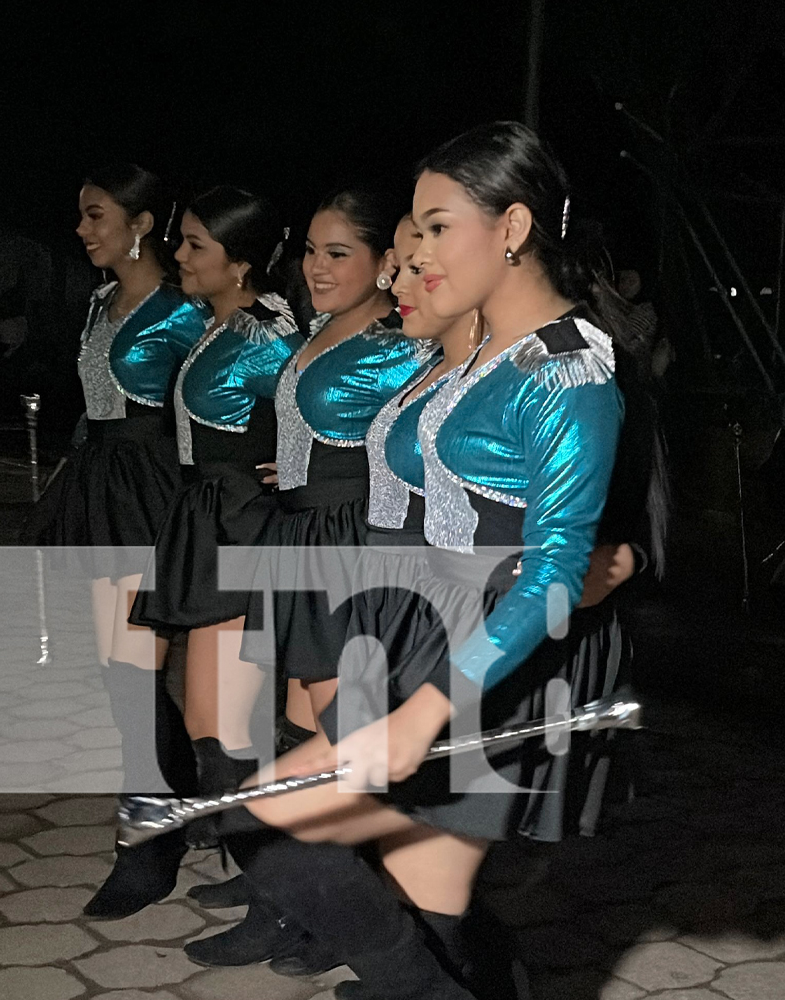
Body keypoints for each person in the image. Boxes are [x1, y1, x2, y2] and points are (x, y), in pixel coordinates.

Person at [225, 121, 652, 999]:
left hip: (492, 656)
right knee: (400, 887)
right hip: (425, 633)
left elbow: (554, 572)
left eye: (435, 225)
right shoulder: (479, 350)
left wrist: (423, 714)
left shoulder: (568, 373)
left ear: (512, 228)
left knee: (307, 838)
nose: (415, 248)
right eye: (413, 227)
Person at [182, 191, 420, 969]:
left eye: (338, 253)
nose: (316, 267)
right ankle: (294, 904)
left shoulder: (401, 344)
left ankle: (361, 921)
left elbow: (427, 439)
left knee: (341, 750)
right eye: (312, 251)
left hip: (348, 551)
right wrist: (303, 466)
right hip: (303, 536)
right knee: (296, 737)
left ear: (387, 261)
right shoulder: (321, 331)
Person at [20, 165, 209, 921]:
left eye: (95, 215)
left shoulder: (184, 311)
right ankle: (181, 801)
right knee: (119, 671)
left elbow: (220, 399)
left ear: (140, 222)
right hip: (100, 482)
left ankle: (151, 841)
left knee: (135, 671)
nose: (82, 229)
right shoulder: (101, 300)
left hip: (155, 487)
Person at [126, 185, 303, 861]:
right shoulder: (222, 324)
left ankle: (285, 890)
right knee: (214, 719)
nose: (179, 253)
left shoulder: (268, 335)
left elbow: (319, 407)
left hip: (242, 525)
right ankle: (263, 875)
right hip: (208, 520)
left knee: (226, 722)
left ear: (240, 263)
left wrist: (300, 472)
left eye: (197, 244)